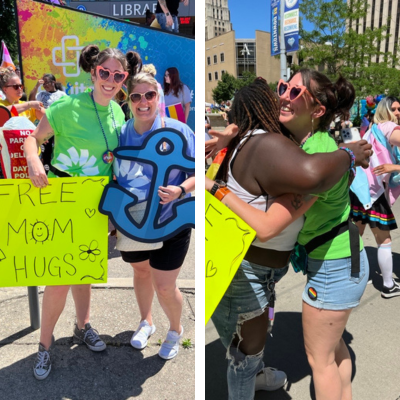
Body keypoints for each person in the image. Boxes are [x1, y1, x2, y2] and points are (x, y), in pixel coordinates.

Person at [205, 73, 372, 400]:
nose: (283, 95)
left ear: (318, 110)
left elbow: (268, 226)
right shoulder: (302, 145)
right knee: (330, 346)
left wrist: (214, 187)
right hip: (335, 259)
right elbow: (252, 126)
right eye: (282, 88)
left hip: (332, 266)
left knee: (318, 360)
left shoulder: (316, 157)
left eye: (295, 91)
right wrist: (229, 133)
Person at [24, 45, 141, 380]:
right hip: (63, 201)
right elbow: (33, 139)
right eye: (105, 72)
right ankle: (44, 347)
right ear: (93, 72)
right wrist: (33, 160)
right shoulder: (65, 105)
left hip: (96, 205)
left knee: (85, 271)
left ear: (124, 78)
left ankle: (82, 326)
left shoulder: (120, 113)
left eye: (118, 75)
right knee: (60, 279)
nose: (111, 80)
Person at [114, 71, 195, 360]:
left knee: (164, 284)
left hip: (171, 220)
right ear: (129, 100)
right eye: (136, 96)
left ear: (158, 97)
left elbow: (199, 172)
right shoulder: (122, 132)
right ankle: (146, 321)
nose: (143, 101)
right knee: (141, 271)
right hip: (133, 220)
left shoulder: (179, 130)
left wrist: (180, 189)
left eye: (149, 95)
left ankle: (175, 330)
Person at [350, 96, 400, 298]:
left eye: (399, 109)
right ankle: (388, 285)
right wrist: (395, 167)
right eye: (394, 109)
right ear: (385, 111)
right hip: (374, 192)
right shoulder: (389, 127)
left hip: (359, 187)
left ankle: (356, 276)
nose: (398, 113)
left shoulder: (372, 129)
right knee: (384, 239)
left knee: (356, 236)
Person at [28, 74, 67, 173]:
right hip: (44, 126)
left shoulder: (62, 95)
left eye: (46, 82)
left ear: (53, 82)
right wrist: (36, 86)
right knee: (46, 151)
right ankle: (46, 171)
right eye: (43, 83)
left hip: (58, 127)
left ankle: (59, 171)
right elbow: (31, 101)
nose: (44, 85)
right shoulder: (41, 94)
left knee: (59, 149)